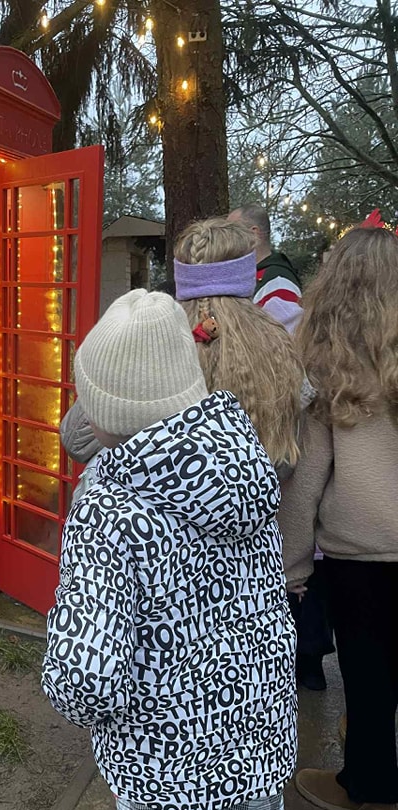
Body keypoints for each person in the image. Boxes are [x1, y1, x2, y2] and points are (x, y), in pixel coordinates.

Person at [43, 288, 314, 810]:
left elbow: (85, 675)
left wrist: (77, 703)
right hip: (253, 724)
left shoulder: (108, 507)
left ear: (107, 411)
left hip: (155, 745)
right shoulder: (243, 464)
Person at [177, 215, 334, 692]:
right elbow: (297, 466)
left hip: (172, 558)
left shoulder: (161, 339)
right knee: (245, 688)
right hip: (257, 562)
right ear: (248, 273)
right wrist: (295, 561)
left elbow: (80, 436)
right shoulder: (281, 347)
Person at [279, 224, 398, 810]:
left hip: (362, 553)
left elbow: (306, 482)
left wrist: (293, 566)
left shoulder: (329, 365)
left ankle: (371, 790)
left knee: (369, 679)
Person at [228, 204, 303, 335]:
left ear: (253, 234)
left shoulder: (278, 284)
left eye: (232, 232)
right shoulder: (252, 276)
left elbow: (283, 341)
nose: (226, 241)